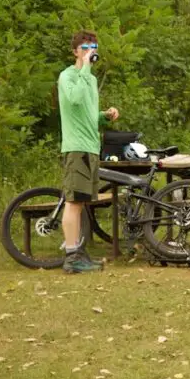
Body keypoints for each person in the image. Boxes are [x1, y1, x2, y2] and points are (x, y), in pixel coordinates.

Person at [58, 30, 119, 274]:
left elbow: (87, 116)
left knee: (82, 202)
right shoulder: (68, 76)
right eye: (84, 48)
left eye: (93, 47)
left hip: (91, 147)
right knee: (73, 203)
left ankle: (79, 254)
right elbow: (73, 100)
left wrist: (104, 117)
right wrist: (84, 67)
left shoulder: (90, 81)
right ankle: (72, 258)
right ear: (75, 51)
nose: (89, 51)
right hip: (76, 148)